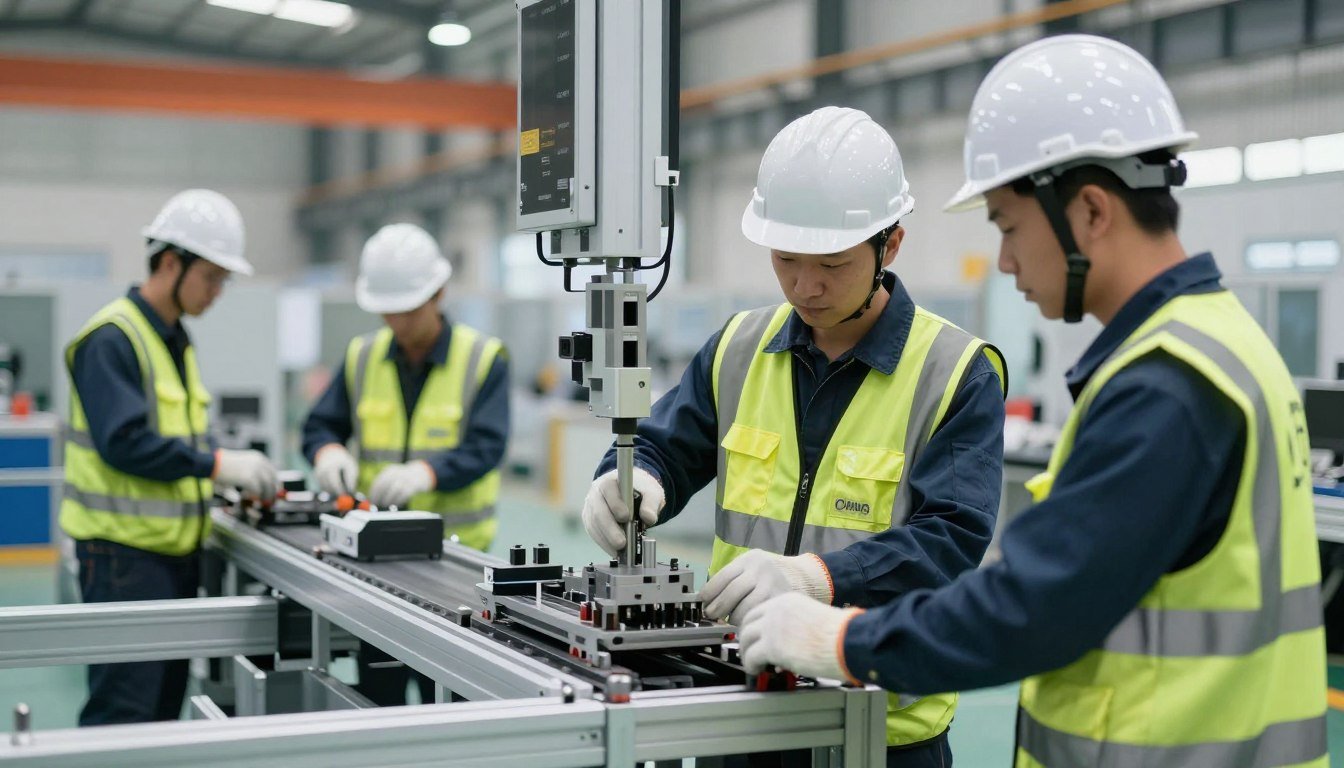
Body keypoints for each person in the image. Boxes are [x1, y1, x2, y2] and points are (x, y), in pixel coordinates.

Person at [738, 35, 1328, 768]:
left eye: (1009, 226)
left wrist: (840, 640)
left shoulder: (1167, 385)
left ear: (1088, 212)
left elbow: (1033, 605)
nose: (1007, 259)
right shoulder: (1226, 342)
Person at [582, 106, 1007, 765]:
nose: (805, 286)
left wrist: (815, 577)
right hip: (740, 707)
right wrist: (625, 477)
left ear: (890, 245)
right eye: (785, 259)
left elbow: (950, 537)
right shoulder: (739, 347)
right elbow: (667, 445)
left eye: (832, 263)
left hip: (882, 732)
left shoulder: (956, 372)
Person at [63, 189, 279, 725]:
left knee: (161, 714)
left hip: (169, 558)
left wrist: (219, 476)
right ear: (168, 262)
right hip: (123, 561)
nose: (218, 292)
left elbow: (174, 439)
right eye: (211, 277)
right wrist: (217, 465)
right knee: (124, 715)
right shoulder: (113, 338)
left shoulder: (172, 339)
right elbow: (125, 442)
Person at [302, 222, 509, 706]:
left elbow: (487, 446)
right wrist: (327, 451)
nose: (396, 324)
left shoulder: (483, 359)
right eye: (387, 313)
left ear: (438, 293)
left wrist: (426, 473)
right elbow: (319, 426)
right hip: (377, 561)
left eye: (408, 311)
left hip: (457, 565)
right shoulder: (362, 356)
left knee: (458, 701)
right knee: (379, 702)